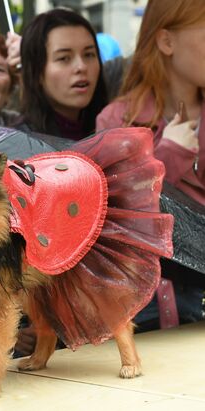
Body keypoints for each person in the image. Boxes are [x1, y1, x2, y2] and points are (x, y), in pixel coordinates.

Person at [96, 0, 205, 331]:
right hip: (141, 304)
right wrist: (169, 155)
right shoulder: (118, 120)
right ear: (167, 41)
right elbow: (114, 215)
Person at [14, 8, 108, 140]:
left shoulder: (113, 127)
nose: (81, 67)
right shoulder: (21, 144)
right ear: (36, 72)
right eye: (64, 58)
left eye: (89, 54)